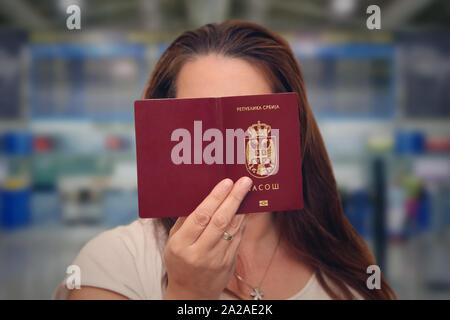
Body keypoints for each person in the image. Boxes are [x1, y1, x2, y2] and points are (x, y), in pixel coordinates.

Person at [54, 20, 396, 300]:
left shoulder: (347, 279)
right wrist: (188, 294)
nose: (223, 144)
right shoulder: (113, 263)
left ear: (291, 130)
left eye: (248, 118)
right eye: (199, 121)